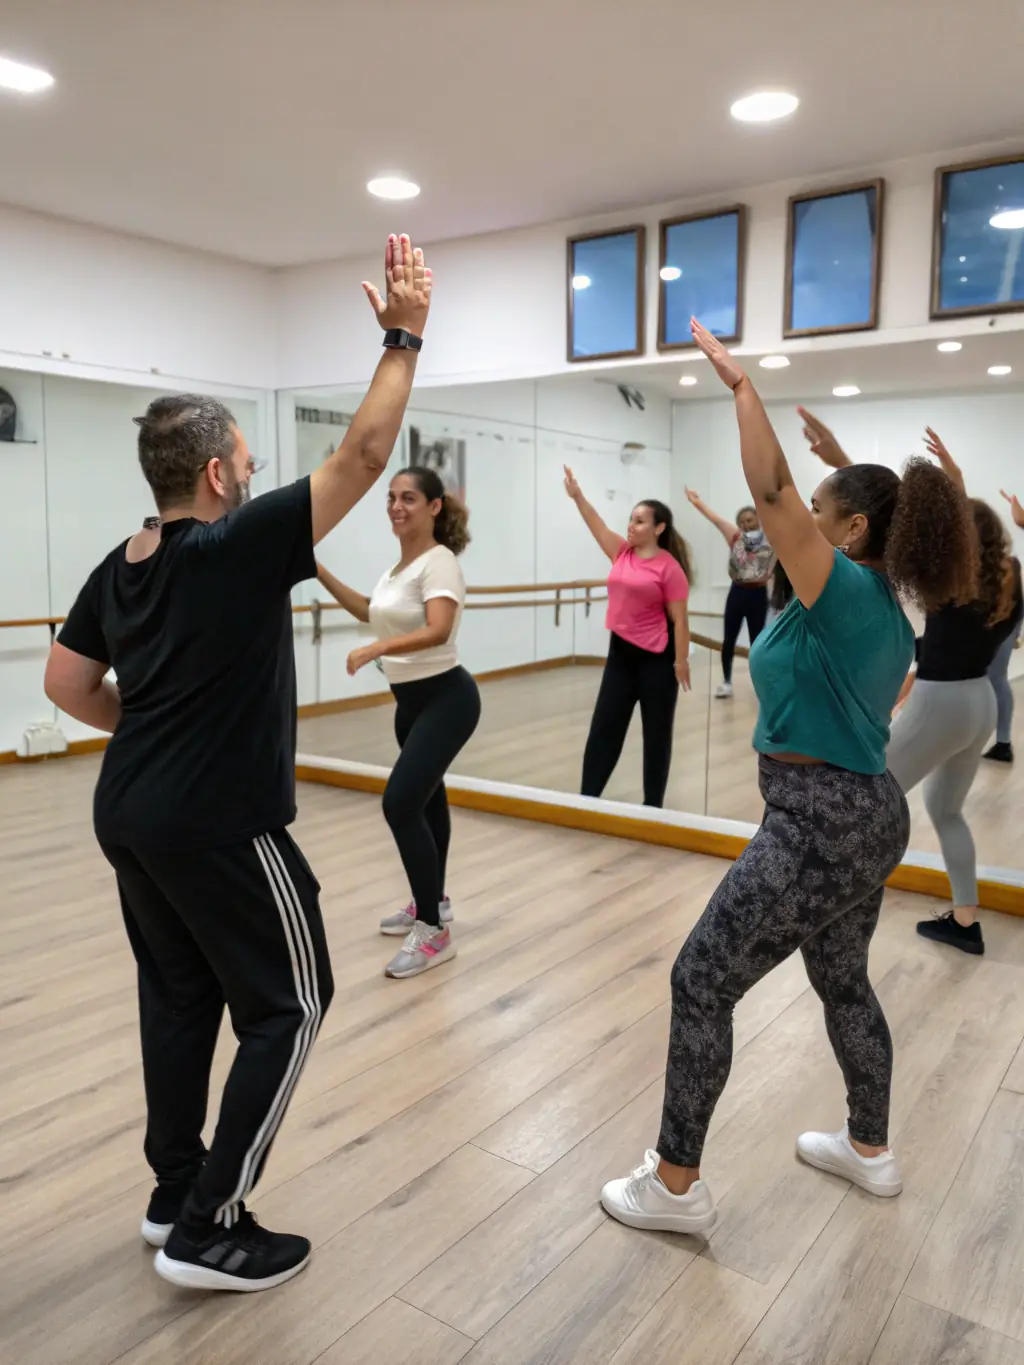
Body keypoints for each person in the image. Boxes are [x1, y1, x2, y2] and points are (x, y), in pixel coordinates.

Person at [42, 234, 432, 1292]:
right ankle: (213, 1224)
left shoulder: (117, 565)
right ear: (218, 473)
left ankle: (172, 1196)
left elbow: (65, 688)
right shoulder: (236, 544)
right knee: (291, 1003)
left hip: (128, 811)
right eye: (253, 464)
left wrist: (154, 734)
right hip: (216, 821)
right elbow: (359, 455)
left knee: (179, 998)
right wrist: (403, 336)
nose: (261, 476)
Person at [600, 320, 976, 1237]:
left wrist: (739, 387)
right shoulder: (881, 598)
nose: (795, 517)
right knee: (841, 978)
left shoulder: (843, 591)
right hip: (865, 811)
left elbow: (768, 492)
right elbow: (854, 517)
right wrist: (848, 467)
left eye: (819, 509)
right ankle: (870, 1147)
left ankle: (676, 1185)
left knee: (701, 978)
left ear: (848, 532)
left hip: (817, 818)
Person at [314, 467, 479, 977]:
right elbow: (370, 610)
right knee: (428, 803)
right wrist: (317, 571)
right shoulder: (396, 571)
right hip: (410, 704)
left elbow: (439, 629)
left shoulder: (439, 563)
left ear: (434, 507)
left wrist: (378, 648)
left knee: (400, 803)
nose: (396, 505)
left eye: (408, 497)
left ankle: (432, 932)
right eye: (391, 497)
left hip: (448, 700)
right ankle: (433, 899)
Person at [882, 431, 1021, 955]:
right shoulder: (1009, 582)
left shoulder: (951, 580)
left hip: (940, 703)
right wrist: (955, 477)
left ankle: (845, 900)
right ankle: (965, 920)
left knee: (872, 797)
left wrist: (953, 478)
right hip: (980, 703)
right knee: (945, 810)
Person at [564, 468, 692, 808]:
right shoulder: (621, 553)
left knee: (656, 738)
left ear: (658, 528)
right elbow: (596, 524)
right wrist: (577, 495)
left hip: (657, 662)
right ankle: (587, 800)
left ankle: (653, 809)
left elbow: (680, 620)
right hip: (620, 656)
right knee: (604, 729)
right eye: (631, 520)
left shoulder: (670, 569)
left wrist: (681, 662)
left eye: (639, 521)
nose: (631, 527)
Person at [684, 489, 774, 698]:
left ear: (758, 520)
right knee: (729, 639)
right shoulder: (734, 536)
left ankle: (761, 684)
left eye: (750, 520)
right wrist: (696, 502)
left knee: (757, 642)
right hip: (737, 593)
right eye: (742, 521)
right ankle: (726, 682)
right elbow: (714, 519)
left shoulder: (770, 539)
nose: (746, 525)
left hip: (758, 595)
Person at [982, 488, 1024, 764]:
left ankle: (1003, 743)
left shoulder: (1007, 565)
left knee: (994, 682)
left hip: (997, 632)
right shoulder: (1010, 563)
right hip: (1002, 632)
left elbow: (1015, 603)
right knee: (994, 682)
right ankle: (1001, 742)